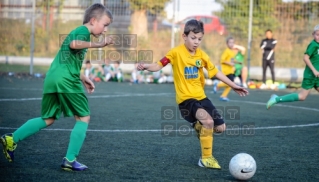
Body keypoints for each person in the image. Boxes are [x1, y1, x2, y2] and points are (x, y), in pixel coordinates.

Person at [0, 3, 114, 171]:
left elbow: (68, 59)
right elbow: (74, 44)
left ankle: (12, 139)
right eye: (105, 25)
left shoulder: (77, 31)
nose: (105, 30)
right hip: (66, 80)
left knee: (48, 118)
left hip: (54, 77)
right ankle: (70, 159)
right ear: (93, 20)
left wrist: (83, 77)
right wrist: (100, 45)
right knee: (83, 118)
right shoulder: (83, 32)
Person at [137, 20, 248, 169]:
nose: (196, 42)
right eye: (193, 38)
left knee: (221, 128)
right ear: (184, 36)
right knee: (208, 122)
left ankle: (198, 126)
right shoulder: (175, 53)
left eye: (199, 39)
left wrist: (234, 85)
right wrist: (146, 66)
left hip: (202, 98)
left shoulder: (202, 56)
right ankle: (205, 159)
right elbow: (158, 65)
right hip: (186, 100)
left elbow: (216, 72)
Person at [266, 25, 319, 109]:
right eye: (317, 35)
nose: (318, 37)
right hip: (310, 76)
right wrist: (314, 70)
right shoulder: (313, 45)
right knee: (302, 96)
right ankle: (276, 99)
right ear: (313, 34)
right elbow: (305, 58)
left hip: (317, 77)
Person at [213, 37, 246, 101]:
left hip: (230, 70)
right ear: (227, 44)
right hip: (226, 71)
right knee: (231, 83)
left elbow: (232, 60)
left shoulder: (232, 52)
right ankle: (218, 85)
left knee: (230, 84)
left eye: (233, 42)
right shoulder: (226, 51)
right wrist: (230, 64)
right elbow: (222, 60)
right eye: (230, 42)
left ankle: (223, 96)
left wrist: (238, 62)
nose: (231, 44)